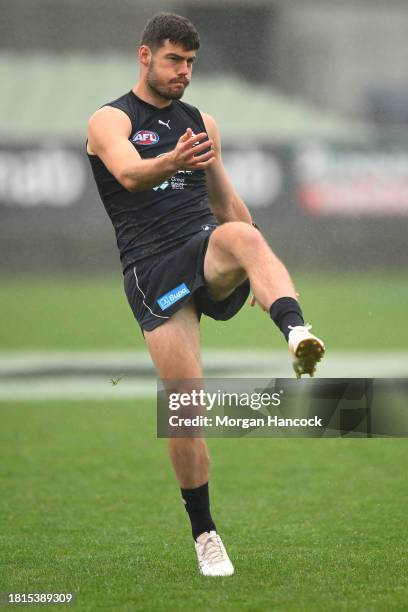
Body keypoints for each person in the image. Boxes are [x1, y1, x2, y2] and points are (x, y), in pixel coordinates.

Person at [87, 12, 325, 577]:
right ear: (145, 56)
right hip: (151, 268)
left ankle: (296, 330)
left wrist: (256, 267)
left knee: (245, 234)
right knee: (184, 405)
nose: (183, 72)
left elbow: (228, 208)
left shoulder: (201, 123)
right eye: (173, 60)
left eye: (190, 62)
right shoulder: (109, 119)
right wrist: (171, 159)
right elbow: (127, 174)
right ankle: (206, 534)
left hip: (204, 246)